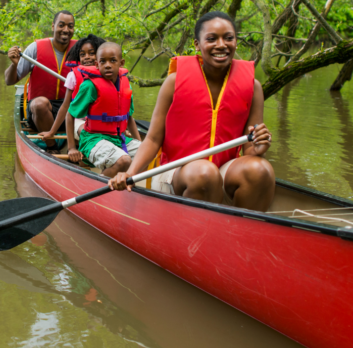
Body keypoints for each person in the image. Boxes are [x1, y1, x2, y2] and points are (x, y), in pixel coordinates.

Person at [108, 12, 275, 211]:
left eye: (228, 38)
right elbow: (152, 139)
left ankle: (243, 233)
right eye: (212, 39)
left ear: (236, 42)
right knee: (204, 173)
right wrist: (131, 174)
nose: (221, 45)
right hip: (175, 172)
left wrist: (257, 149)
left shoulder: (253, 87)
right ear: (197, 44)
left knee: (261, 170)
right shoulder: (174, 82)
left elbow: (248, 149)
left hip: (221, 171)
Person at [66, 42, 142, 176]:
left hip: (118, 138)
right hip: (93, 140)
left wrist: (141, 145)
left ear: (121, 63)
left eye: (113, 61)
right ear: (97, 64)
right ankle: (101, 184)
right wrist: (72, 148)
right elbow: (70, 115)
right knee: (123, 161)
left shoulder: (125, 85)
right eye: (103, 61)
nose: (108, 65)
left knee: (151, 154)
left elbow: (129, 117)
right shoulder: (90, 86)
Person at [5, 11, 76, 148]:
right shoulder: (35, 48)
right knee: (39, 104)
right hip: (41, 113)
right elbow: (9, 81)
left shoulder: (81, 50)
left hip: (70, 109)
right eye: (61, 25)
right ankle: (52, 147)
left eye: (70, 26)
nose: (66, 30)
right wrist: (14, 65)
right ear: (53, 26)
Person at [36, 34, 106, 146]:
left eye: (91, 53)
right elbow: (65, 106)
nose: (86, 57)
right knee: (88, 134)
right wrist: (52, 131)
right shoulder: (73, 76)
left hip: (102, 121)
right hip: (81, 121)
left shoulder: (108, 75)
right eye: (82, 55)